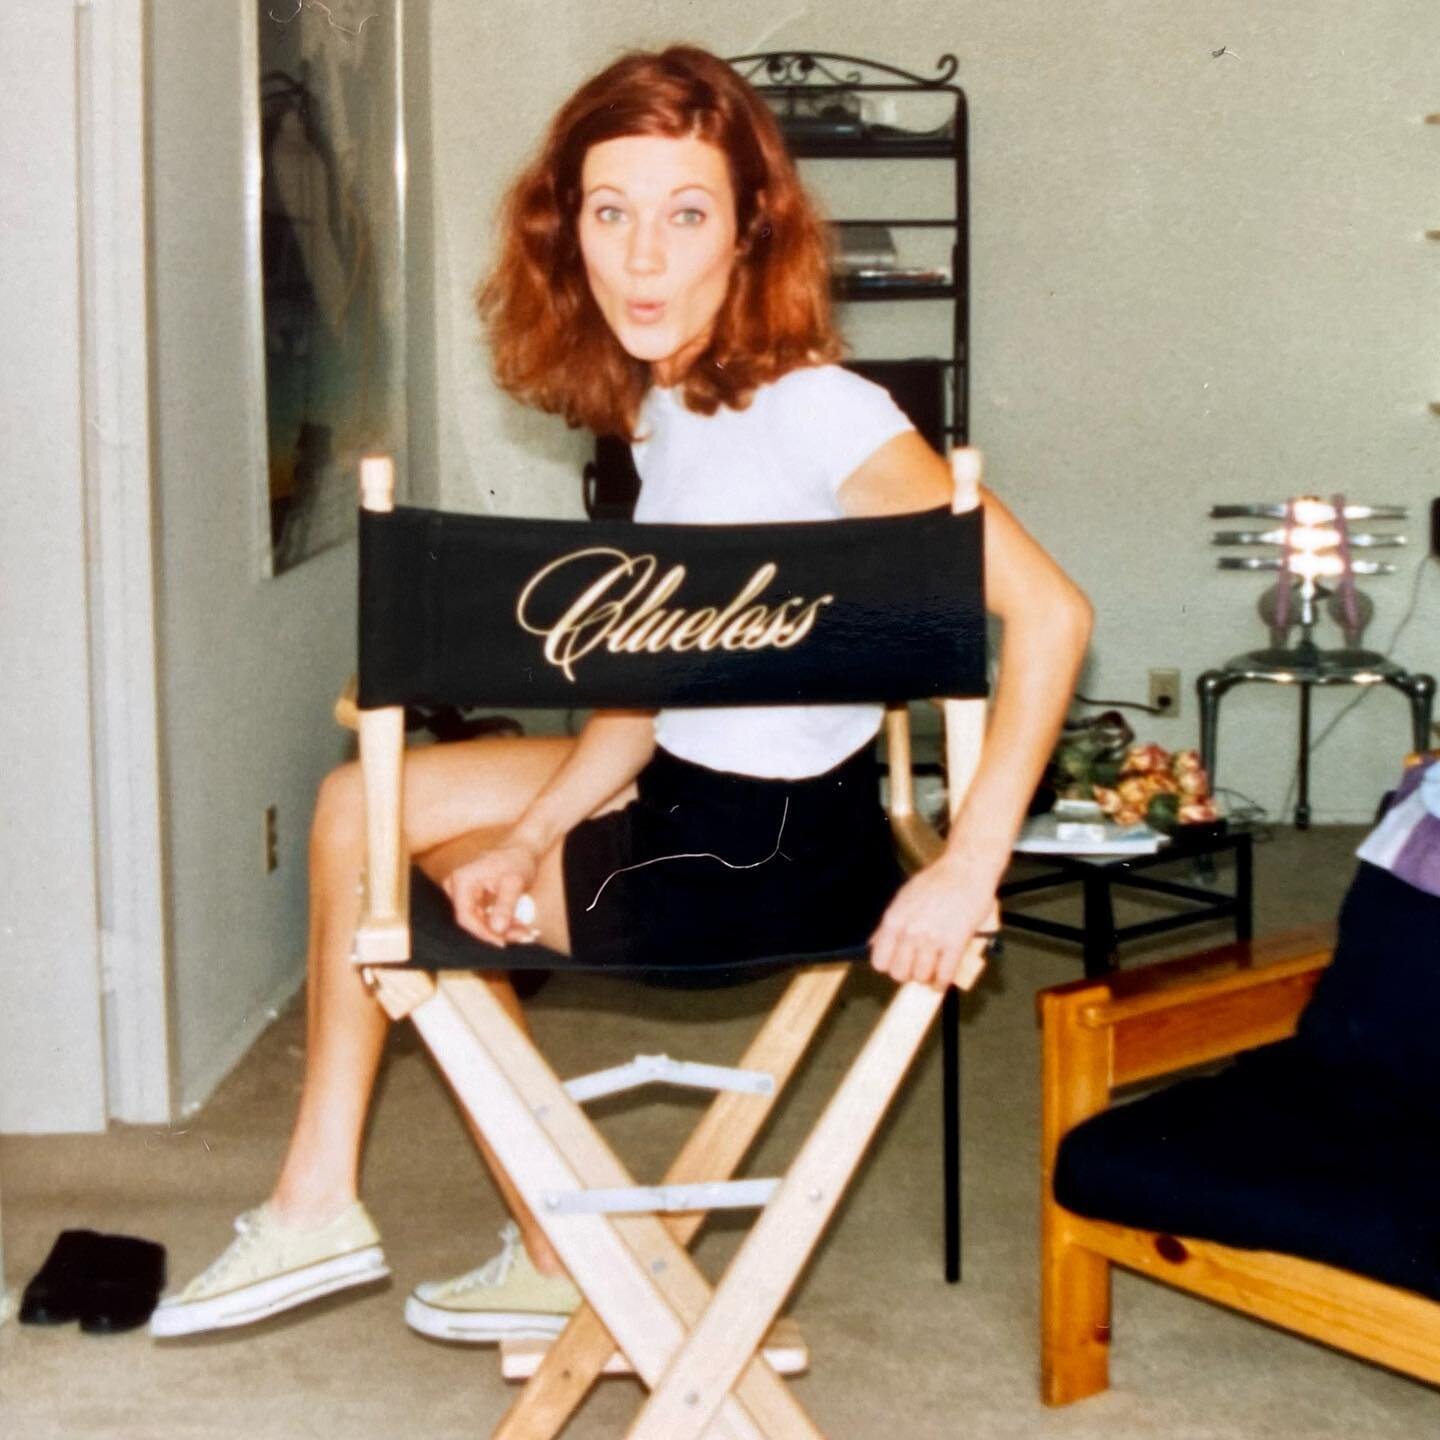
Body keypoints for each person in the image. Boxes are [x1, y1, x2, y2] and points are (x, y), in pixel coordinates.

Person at [150, 45, 1091, 1342]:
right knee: (356, 813)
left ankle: (538, 1240)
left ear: (750, 234)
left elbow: (1051, 611)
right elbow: (647, 694)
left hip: (764, 849)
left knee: (417, 881)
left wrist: (968, 865)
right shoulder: (665, 413)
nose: (642, 258)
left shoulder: (820, 411)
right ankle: (345, 1207)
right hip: (682, 782)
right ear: (565, 226)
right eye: (611, 212)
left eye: (686, 214)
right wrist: (538, 833)